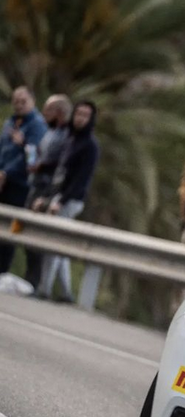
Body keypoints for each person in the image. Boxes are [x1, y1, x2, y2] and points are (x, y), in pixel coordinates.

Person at [38, 100, 100, 302]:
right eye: (78, 114)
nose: (80, 118)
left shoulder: (90, 146)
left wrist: (61, 201)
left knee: (54, 244)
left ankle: (44, 289)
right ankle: (66, 293)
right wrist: (46, 195)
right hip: (58, 196)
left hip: (70, 200)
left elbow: (81, 179)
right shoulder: (71, 139)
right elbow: (59, 169)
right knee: (60, 245)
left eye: (85, 115)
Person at [24, 94, 72, 289]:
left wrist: (42, 167)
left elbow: (60, 165)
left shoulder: (67, 136)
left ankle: (36, 282)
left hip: (46, 190)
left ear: (59, 112)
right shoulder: (52, 131)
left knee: (39, 237)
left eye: (48, 110)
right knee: (25, 232)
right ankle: (32, 279)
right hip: (36, 185)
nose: (44, 113)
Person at [0, 86, 47, 274]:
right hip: (4, 182)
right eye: (16, 101)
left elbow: (32, 159)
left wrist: (23, 144)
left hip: (21, 186)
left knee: (12, 231)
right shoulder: (10, 123)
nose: (18, 105)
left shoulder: (37, 125)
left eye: (23, 102)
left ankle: (3, 271)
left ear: (32, 101)